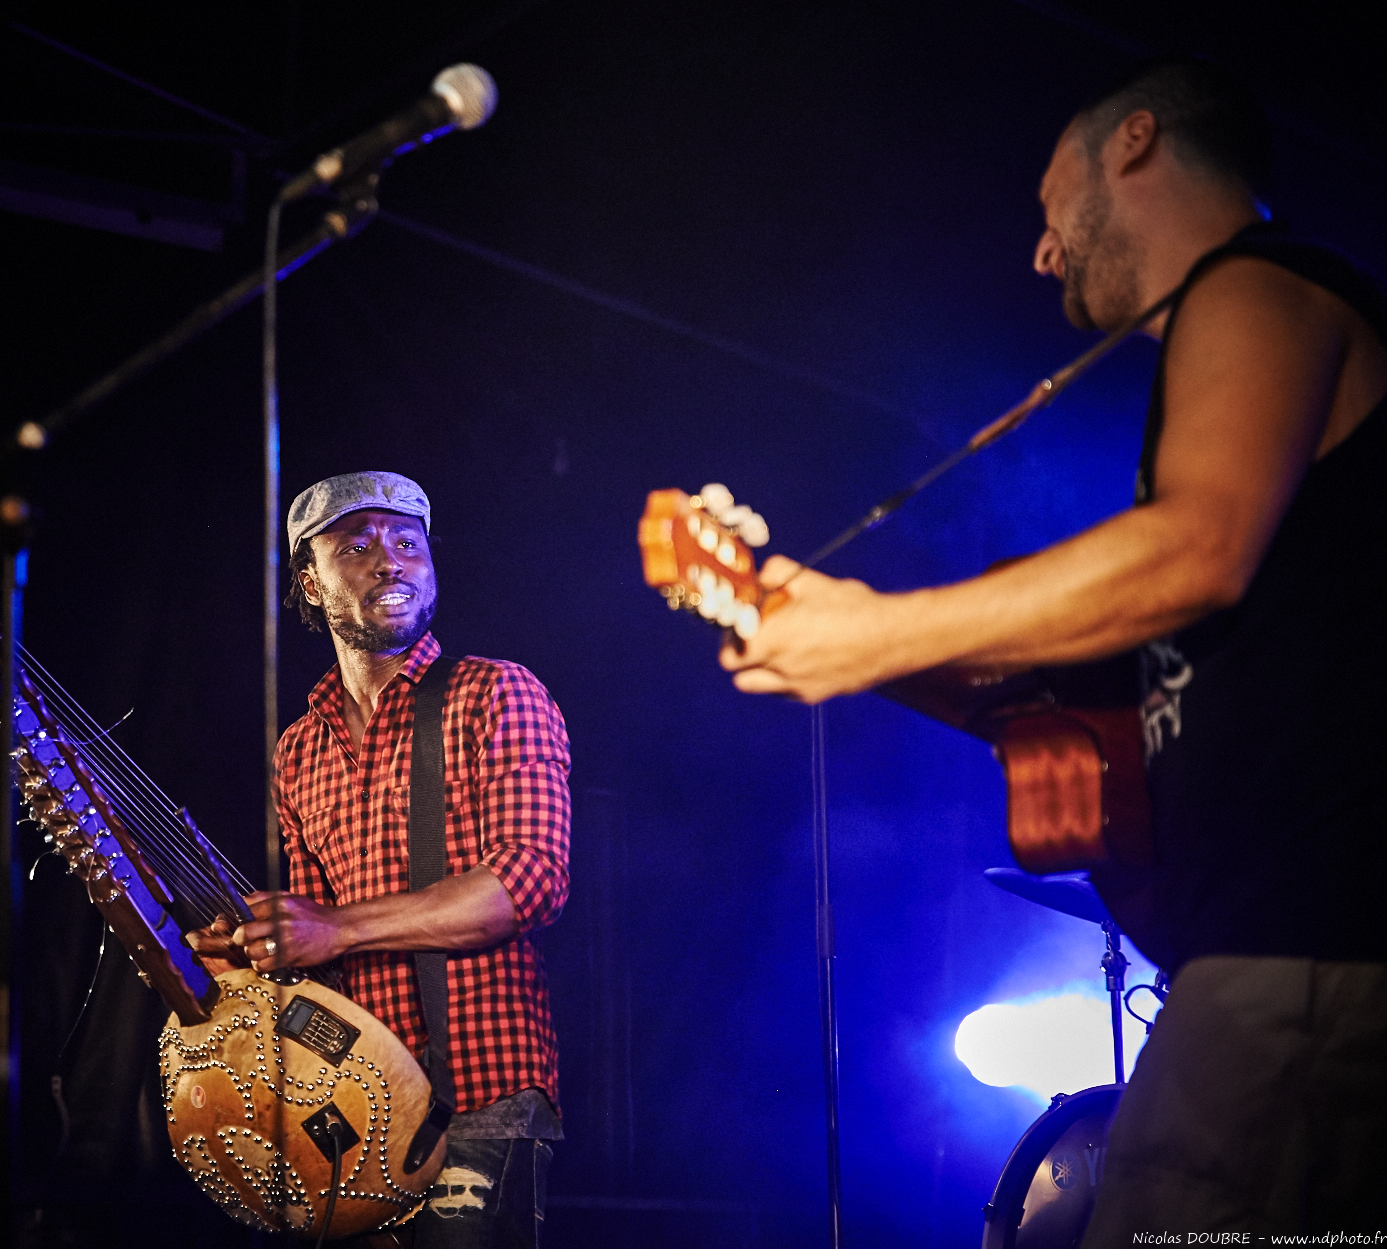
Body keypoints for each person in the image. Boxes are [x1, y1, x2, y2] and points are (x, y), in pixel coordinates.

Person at [722, 58, 1386, 1238]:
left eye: (1048, 203)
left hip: (1304, 952)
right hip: (1281, 952)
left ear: (1132, 144)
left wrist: (879, 627)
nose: (1042, 251)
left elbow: (1198, 546)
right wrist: (856, 637)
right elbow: (1090, 699)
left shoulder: (1254, 283)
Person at [189, 470, 570, 1248]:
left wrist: (333, 925)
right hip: (351, 1108)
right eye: (356, 546)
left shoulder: (496, 693)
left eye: (407, 542)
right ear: (310, 582)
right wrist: (252, 957)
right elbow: (319, 965)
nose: (389, 559)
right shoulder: (299, 749)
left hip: (481, 1095)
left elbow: (528, 881)